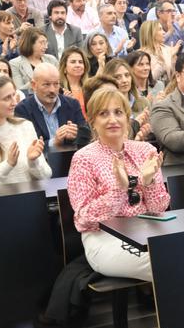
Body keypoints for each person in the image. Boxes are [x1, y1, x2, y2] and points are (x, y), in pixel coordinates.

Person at [68, 88, 169, 282]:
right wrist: (119, 189)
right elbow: (84, 218)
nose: (112, 119)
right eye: (103, 114)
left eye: (118, 112)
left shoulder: (145, 150)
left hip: (146, 230)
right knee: (165, 262)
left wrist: (148, 181)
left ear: (127, 118)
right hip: (104, 238)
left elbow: (158, 208)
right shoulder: (83, 159)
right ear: (93, 122)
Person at [14, 64, 85, 148]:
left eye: (56, 84)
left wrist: (75, 136)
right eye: (46, 84)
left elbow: (86, 137)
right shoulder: (23, 109)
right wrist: (54, 142)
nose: (52, 90)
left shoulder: (72, 104)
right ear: (33, 85)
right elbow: (25, 146)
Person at [59, 47, 90, 114]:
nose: (78, 65)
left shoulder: (90, 88)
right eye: (73, 62)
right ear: (64, 67)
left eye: (81, 62)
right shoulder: (59, 90)